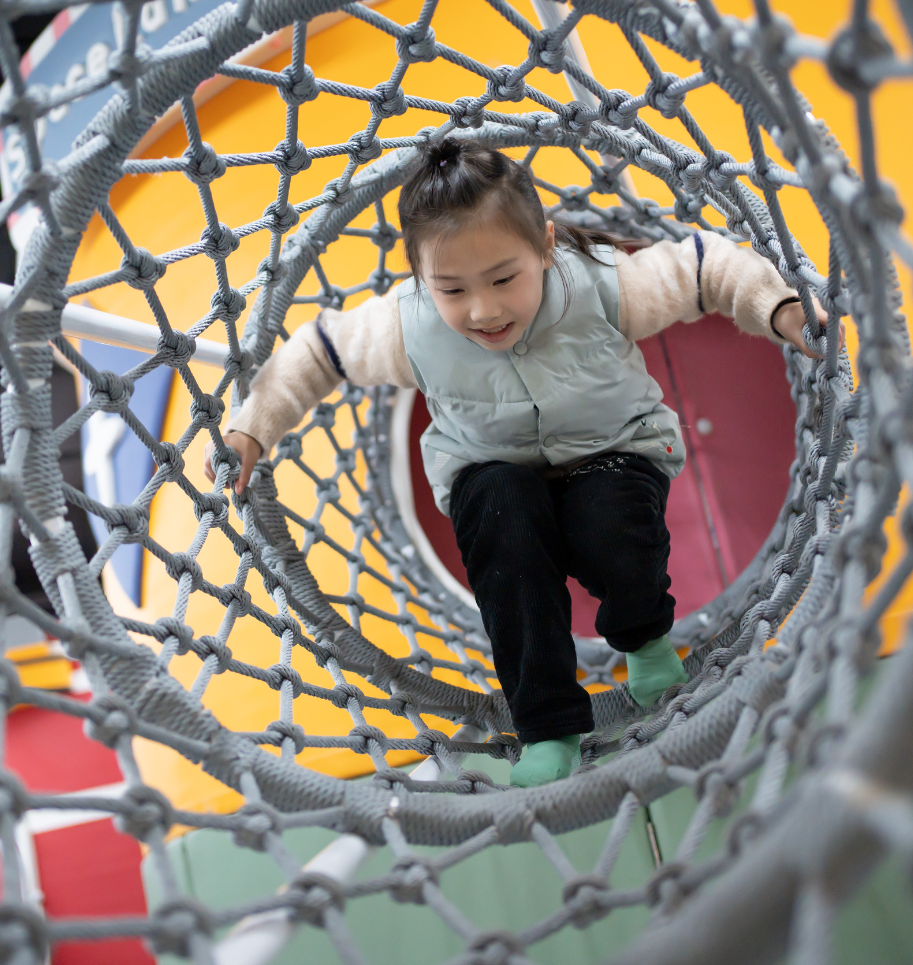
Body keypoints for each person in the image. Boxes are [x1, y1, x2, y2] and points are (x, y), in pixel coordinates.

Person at [204, 136, 839, 788]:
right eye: (451, 288)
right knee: (505, 540)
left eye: (504, 278)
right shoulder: (408, 326)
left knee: (612, 529)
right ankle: (548, 724)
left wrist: (779, 306)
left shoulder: (601, 284)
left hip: (612, 449)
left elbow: (705, 267)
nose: (483, 310)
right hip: (488, 467)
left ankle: (644, 637)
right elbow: (316, 353)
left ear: (545, 246)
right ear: (421, 280)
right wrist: (252, 428)